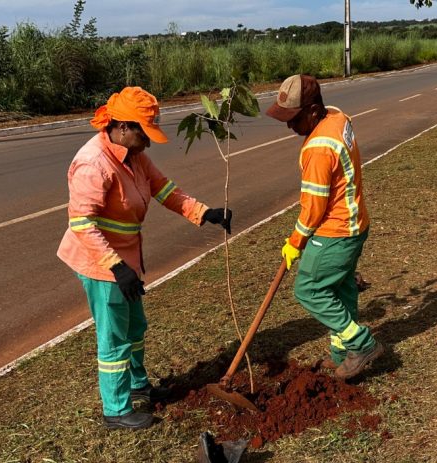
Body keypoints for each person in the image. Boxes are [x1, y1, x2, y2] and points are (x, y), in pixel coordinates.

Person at [57, 86, 233, 430]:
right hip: (101, 264)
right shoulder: (93, 164)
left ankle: (138, 386)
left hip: (126, 260)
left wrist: (204, 213)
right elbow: (81, 224)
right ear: (122, 127)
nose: (149, 141)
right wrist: (115, 267)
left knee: (136, 327)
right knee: (114, 339)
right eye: (143, 132)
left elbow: (165, 190)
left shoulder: (134, 156)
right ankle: (117, 409)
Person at [265, 74, 384, 380]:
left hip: (336, 230)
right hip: (356, 223)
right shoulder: (336, 116)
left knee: (310, 289)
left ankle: (362, 344)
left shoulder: (318, 148)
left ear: (313, 111)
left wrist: (295, 242)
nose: (290, 126)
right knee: (340, 290)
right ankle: (342, 354)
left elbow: (313, 208)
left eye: (294, 118)